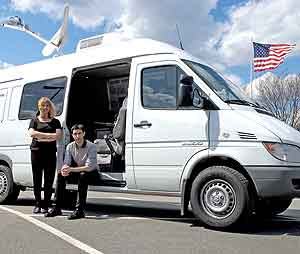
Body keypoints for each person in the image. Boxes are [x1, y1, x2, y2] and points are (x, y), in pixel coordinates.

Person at [45, 124, 99, 220]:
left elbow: (89, 167)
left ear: (84, 134)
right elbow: (67, 162)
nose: (77, 136)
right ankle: (56, 208)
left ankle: (79, 210)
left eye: (79, 133)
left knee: (83, 176)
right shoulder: (70, 146)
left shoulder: (92, 146)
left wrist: (71, 169)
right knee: (60, 175)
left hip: (92, 173)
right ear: (72, 135)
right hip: (77, 170)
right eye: (75, 134)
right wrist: (64, 169)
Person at [28, 97, 62, 214]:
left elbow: (58, 136)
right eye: (43, 105)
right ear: (39, 107)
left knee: (49, 179)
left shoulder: (55, 122)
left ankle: (46, 205)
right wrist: (49, 136)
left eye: (47, 106)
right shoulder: (34, 120)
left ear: (50, 108)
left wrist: (41, 137)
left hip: (50, 154)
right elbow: (31, 133)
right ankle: (38, 203)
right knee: (37, 179)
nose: (45, 108)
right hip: (36, 153)